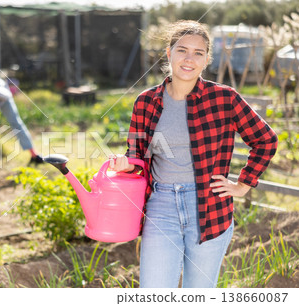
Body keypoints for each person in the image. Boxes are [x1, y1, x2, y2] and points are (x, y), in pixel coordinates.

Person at [108, 20, 278, 288]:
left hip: (209, 207)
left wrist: (243, 184)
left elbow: (266, 140)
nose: (189, 59)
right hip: (161, 206)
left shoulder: (224, 98)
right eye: (182, 50)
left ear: (207, 59)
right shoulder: (146, 101)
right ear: (169, 53)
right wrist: (127, 165)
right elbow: (137, 157)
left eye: (198, 53)